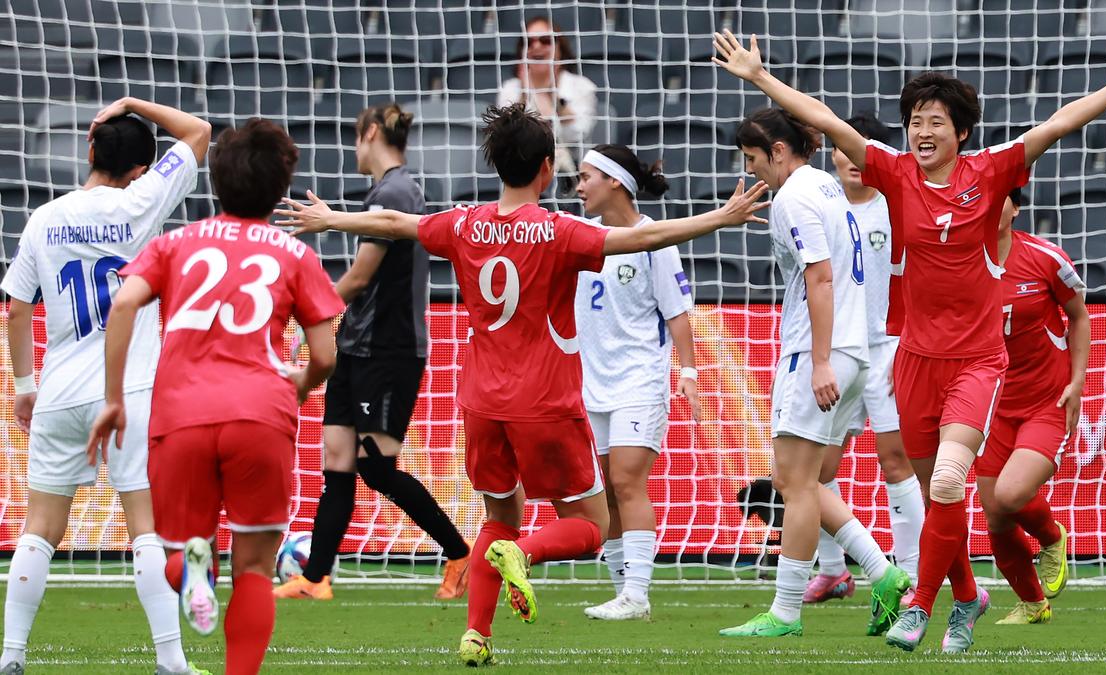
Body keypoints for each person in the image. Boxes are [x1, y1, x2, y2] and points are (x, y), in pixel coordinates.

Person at [712, 30, 1106, 653]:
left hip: (977, 363)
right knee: (938, 500)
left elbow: (1057, 124)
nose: (921, 131)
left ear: (960, 132)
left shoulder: (991, 171)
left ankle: (919, 604)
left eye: (934, 121)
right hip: (912, 360)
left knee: (951, 481)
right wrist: (760, 77)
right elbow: (825, 120)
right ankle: (968, 596)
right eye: (913, 121)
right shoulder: (896, 174)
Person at [275, 103, 768, 666]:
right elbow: (643, 239)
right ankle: (524, 556)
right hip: (544, 401)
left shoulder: (462, 223)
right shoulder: (560, 231)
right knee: (590, 522)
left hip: (481, 401)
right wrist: (718, 219)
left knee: (497, 516)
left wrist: (331, 218)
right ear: (547, 169)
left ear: (495, 165)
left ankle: (477, 634)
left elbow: (394, 224)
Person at [87, 119, 344, 675]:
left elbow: (125, 305)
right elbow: (324, 354)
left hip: (180, 414)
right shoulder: (294, 254)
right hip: (259, 411)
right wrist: (299, 384)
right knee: (253, 568)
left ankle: (191, 566)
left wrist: (113, 397)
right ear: (281, 189)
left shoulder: (174, 244)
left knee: (176, 553)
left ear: (216, 182)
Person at [0, 97, 211, 675]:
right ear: (141, 170)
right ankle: (170, 660)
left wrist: (24, 384)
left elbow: (16, 308)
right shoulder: (144, 201)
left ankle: (11, 655)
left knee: (39, 528)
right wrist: (132, 103)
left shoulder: (45, 218)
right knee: (145, 525)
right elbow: (199, 131)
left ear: (90, 150)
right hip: (131, 389)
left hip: (60, 391)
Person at [717, 108, 910, 640]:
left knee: (796, 484)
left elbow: (820, 278)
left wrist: (820, 358)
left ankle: (784, 612)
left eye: (755, 160)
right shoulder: (825, 185)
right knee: (800, 478)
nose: (754, 171)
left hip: (818, 351)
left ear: (778, 151)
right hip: (854, 350)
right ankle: (884, 572)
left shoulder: (794, 197)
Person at [274, 102, 471, 603]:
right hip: (357, 346)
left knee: (376, 467)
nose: (353, 147)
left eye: (356, 136)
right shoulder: (385, 191)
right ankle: (316, 577)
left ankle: (458, 551)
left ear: (370, 133)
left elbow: (359, 277)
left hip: (389, 348)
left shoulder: (398, 189)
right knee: (337, 461)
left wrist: (310, 320)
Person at [572, 144, 701, 621]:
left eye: (586, 177)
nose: (579, 187)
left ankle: (638, 593)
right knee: (607, 489)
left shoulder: (655, 240)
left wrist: (687, 373)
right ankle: (622, 594)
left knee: (628, 481)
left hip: (639, 380)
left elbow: (677, 313)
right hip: (592, 383)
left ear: (614, 183)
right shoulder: (583, 237)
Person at [808, 113, 924, 606]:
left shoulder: (895, 206)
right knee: (814, 469)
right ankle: (834, 571)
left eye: (865, 149)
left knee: (897, 460)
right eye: (845, 148)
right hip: (835, 351)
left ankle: (916, 577)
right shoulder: (822, 209)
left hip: (887, 348)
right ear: (834, 154)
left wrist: (910, 343)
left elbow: (921, 278)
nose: (854, 159)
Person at [977, 190, 1087, 625]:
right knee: (995, 517)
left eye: (999, 200)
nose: (989, 208)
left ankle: (1051, 534)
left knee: (1010, 494)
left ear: (1016, 208)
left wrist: (1076, 382)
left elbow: (1079, 316)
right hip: (991, 404)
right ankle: (1033, 604)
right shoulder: (961, 262)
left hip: (1046, 399)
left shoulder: (1045, 258)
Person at [497, 15, 597, 174]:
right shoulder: (510, 88)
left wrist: (554, 96)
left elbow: (577, 135)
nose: (536, 46)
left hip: (572, 171)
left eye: (545, 40)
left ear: (560, 48)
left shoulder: (581, 86)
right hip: (522, 169)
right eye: (528, 42)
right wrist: (524, 93)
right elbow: (508, 137)